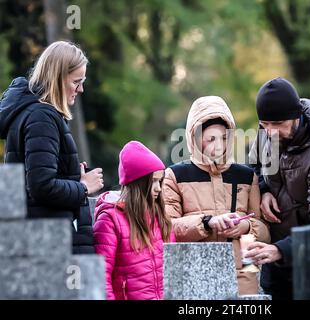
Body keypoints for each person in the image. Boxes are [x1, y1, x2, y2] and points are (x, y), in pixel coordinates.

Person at [246, 77, 310, 299]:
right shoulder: (266, 129)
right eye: (265, 124)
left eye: (278, 124)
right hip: (275, 251)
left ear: (296, 116)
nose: (270, 132)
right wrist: (263, 190)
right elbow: (253, 167)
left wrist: (281, 250)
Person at [0, 41, 103, 254]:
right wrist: (84, 187)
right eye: (76, 81)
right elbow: (41, 186)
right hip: (48, 243)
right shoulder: (42, 117)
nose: (81, 89)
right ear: (57, 78)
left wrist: (71, 173)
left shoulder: (32, 113)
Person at [163, 96, 270, 295]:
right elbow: (167, 228)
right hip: (192, 273)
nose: (218, 146)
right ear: (195, 139)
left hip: (243, 276)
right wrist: (207, 223)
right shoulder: (175, 175)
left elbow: (264, 232)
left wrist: (246, 226)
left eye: (223, 138)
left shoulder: (246, 176)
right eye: (210, 139)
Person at [93, 141, 176, 300]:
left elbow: (173, 269)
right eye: (153, 182)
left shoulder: (161, 218)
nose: (159, 188)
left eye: (160, 181)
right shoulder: (110, 220)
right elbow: (101, 278)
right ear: (138, 184)